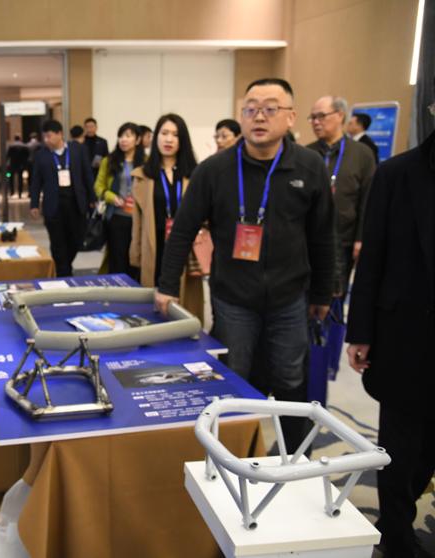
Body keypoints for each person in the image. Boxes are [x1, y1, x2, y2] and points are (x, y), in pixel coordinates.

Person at [155, 78, 336, 451]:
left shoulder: (309, 166)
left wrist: (322, 293)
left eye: (270, 108)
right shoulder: (214, 170)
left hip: (290, 298)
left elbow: (322, 236)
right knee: (233, 378)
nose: (259, 117)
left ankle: (293, 458)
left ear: (290, 117)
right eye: (251, 109)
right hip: (233, 298)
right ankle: (230, 456)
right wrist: (167, 285)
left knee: (290, 378)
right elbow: (182, 230)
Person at [345, 100, 435, 558]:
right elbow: (373, 258)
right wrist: (359, 331)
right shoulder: (398, 174)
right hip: (406, 335)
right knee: (401, 443)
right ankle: (397, 534)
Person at [130, 114, 203, 320]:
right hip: (154, 245)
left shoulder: (195, 174)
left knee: (185, 305)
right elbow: (137, 222)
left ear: (183, 140)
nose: (169, 139)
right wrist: (136, 253)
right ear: (156, 137)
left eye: (175, 135)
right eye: (164, 133)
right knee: (154, 307)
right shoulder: (143, 175)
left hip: (186, 247)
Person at [306, 96, 376, 295]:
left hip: (343, 239)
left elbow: (367, 200)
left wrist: (361, 238)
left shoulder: (362, 154)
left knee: (335, 295)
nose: (316, 122)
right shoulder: (306, 153)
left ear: (339, 115)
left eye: (321, 116)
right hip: (308, 238)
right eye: (312, 117)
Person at [30, 120, 96, 277]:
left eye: (49, 136)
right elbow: (36, 182)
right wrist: (34, 204)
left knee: (76, 239)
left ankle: (65, 266)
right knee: (57, 242)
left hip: (76, 204)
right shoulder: (41, 155)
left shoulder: (78, 150)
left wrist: (92, 198)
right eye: (44, 137)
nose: (46, 140)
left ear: (60, 134)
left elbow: (87, 175)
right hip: (54, 205)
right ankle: (63, 272)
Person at [94, 122, 145, 279]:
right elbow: (98, 186)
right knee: (117, 258)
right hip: (117, 216)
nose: (123, 140)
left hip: (139, 219)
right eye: (121, 136)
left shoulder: (146, 162)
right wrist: (111, 197)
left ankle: (135, 288)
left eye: (128, 136)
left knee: (136, 258)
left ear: (138, 140)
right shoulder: (109, 160)